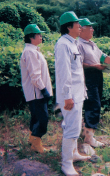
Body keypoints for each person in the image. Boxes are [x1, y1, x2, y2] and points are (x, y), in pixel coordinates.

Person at [54, 11, 90, 176]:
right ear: (69, 27)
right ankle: (66, 164)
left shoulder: (72, 43)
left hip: (77, 94)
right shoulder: (63, 44)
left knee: (75, 125)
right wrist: (67, 95)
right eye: (77, 24)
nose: (80, 26)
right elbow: (64, 73)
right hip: (70, 96)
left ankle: (73, 153)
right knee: (71, 128)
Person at [77, 18, 110, 148]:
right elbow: (78, 64)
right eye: (89, 27)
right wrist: (94, 66)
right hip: (87, 77)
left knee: (95, 103)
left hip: (97, 75)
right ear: (81, 29)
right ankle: (89, 138)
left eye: (92, 27)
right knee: (93, 104)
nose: (92, 29)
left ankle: (86, 132)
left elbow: (102, 56)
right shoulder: (78, 44)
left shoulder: (91, 44)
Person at [20, 24, 53, 153]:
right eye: (39, 34)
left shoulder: (33, 50)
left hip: (36, 92)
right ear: (31, 37)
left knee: (35, 117)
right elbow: (35, 75)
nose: (41, 36)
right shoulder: (30, 52)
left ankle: (31, 140)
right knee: (42, 118)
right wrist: (43, 89)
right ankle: (36, 143)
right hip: (36, 93)